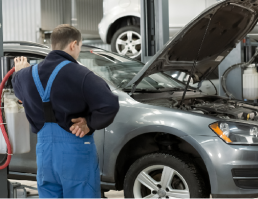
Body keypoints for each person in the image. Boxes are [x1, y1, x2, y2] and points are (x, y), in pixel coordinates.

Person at [11, 24, 119, 198]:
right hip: (76, 150)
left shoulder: (24, 76)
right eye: (80, 46)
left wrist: (19, 72)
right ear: (73, 44)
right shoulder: (82, 74)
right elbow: (110, 105)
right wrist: (89, 124)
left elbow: (19, 92)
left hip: (45, 154)